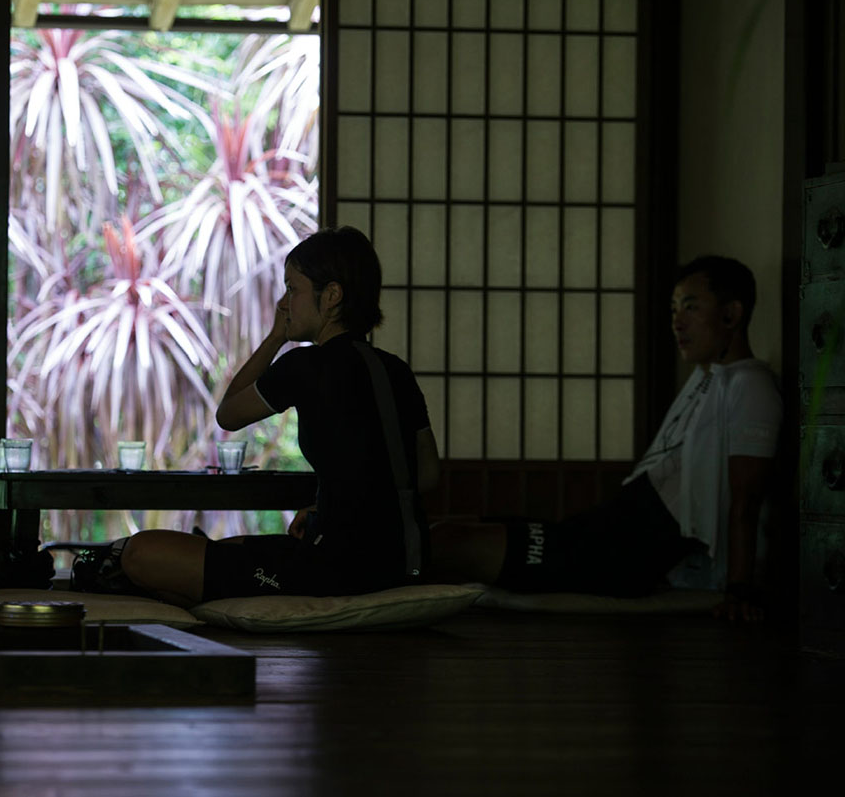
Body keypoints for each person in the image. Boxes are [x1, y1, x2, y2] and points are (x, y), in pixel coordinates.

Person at [423, 256, 782, 623]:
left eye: (690, 308)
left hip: (616, 558)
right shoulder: (709, 380)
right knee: (445, 527)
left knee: (449, 542)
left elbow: (745, 502)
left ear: (731, 314)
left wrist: (739, 589)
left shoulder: (749, 385)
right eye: (674, 309)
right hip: (597, 536)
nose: (677, 322)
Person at [116, 226, 441, 606]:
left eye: (293, 289)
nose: (285, 303)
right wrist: (329, 507)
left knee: (141, 552)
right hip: (403, 562)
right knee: (235, 546)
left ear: (332, 296)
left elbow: (229, 414)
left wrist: (275, 337)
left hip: (334, 571)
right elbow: (427, 474)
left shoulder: (306, 365)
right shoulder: (395, 369)